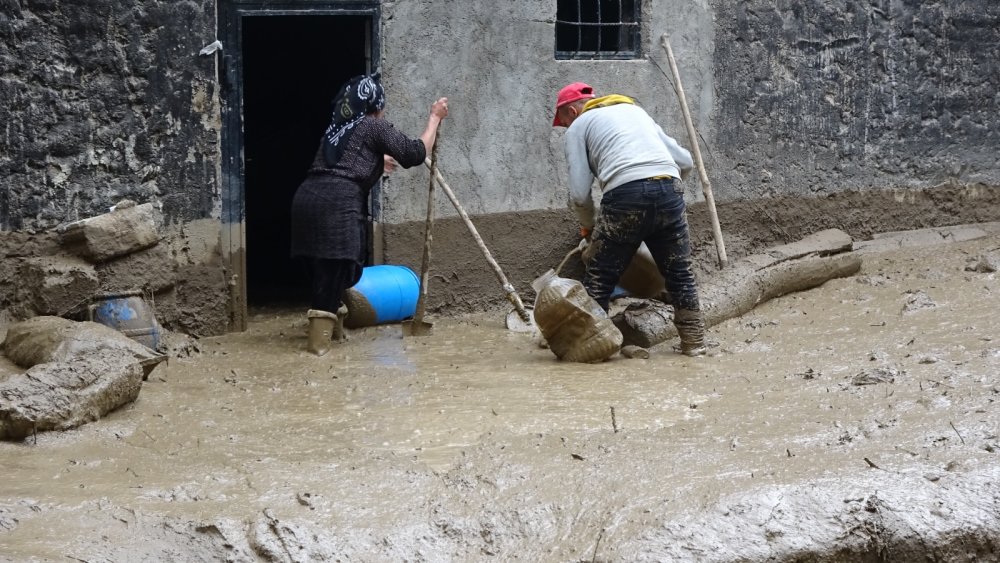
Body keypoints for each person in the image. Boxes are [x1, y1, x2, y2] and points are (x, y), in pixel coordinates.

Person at [291, 73, 448, 355]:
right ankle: (317, 355)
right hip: (336, 206)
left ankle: (332, 337)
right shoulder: (373, 127)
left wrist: (379, 161)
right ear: (375, 105)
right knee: (337, 276)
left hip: (305, 203)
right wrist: (434, 118)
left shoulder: (334, 130)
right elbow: (413, 153)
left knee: (328, 279)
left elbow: (340, 165)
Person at [552, 82, 707, 356]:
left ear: (572, 112)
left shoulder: (579, 126)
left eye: (562, 120)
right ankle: (694, 343)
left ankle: (594, 349)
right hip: (670, 189)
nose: (564, 127)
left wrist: (589, 225)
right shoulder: (635, 112)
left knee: (600, 273)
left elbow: (578, 194)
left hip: (625, 193)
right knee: (679, 272)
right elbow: (685, 162)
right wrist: (661, 194)